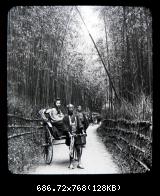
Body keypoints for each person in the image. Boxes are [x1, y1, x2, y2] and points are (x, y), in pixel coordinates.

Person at [63, 104, 87, 169]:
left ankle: (79, 163)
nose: (71, 109)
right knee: (71, 149)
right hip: (69, 136)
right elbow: (65, 127)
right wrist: (68, 133)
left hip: (76, 135)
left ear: (73, 109)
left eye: (72, 108)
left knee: (78, 148)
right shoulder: (65, 117)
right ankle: (70, 163)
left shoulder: (76, 116)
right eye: (69, 108)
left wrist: (82, 131)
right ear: (67, 109)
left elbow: (80, 124)